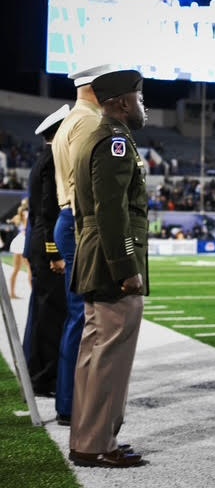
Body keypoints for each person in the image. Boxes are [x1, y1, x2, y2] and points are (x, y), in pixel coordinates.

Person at [68, 69, 149, 468]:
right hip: (110, 260)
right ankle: (99, 443)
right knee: (110, 357)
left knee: (94, 353)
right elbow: (112, 210)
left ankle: (87, 439)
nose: (141, 104)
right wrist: (125, 266)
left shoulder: (98, 136)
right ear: (120, 102)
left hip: (95, 257)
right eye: (137, 97)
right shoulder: (114, 140)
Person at [52, 63, 112, 426]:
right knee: (87, 318)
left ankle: (68, 401)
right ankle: (74, 404)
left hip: (67, 219)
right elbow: (91, 186)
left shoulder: (72, 119)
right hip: (79, 222)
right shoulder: (89, 121)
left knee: (77, 316)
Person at [22, 105, 69, 396]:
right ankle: (44, 378)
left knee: (41, 313)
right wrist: (55, 253)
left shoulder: (44, 158)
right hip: (47, 246)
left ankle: (36, 373)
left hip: (37, 244)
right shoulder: (53, 161)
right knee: (50, 316)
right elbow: (49, 211)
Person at [8, 198, 31, 298]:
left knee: (16, 269)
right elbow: (27, 229)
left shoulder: (21, 214)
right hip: (25, 241)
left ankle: (12, 293)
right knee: (30, 269)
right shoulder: (28, 214)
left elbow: (13, 220)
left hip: (19, 241)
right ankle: (34, 294)